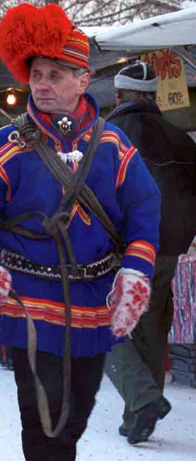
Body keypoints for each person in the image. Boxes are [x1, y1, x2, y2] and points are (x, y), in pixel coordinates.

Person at [0, 4, 160, 460]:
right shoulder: (5, 145)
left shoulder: (113, 145)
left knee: (73, 421)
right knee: (41, 421)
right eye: (37, 76)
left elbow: (145, 211)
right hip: (29, 304)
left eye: (55, 75)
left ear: (83, 81)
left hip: (93, 304)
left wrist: (135, 273)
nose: (43, 85)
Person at [103, 61, 196, 444]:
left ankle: (143, 402)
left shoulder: (106, 138)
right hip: (168, 250)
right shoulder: (182, 140)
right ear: (155, 95)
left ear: (120, 96)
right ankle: (139, 417)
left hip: (119, 250)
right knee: (151, 325)